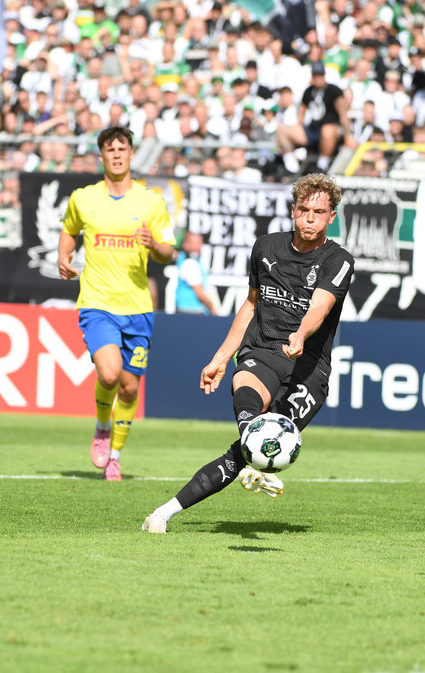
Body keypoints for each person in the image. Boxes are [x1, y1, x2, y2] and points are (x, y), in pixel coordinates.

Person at [142, 173, 355, 533]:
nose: (309, 218)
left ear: (331, 217)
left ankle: (162, 513)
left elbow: (320, 305)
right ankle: (248, 465)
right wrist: (222, 358)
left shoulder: (339, 260)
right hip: (264, 351)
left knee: (243, 453)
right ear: (292, 210)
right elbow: (251, 305)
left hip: (309, 370)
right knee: (251, 417)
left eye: (318, 212)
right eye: (303, 209)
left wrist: (302, 333)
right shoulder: (266, 249)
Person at [57, 126, 176, 482]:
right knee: (108, 373)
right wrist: (63, 257)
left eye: (122, 148)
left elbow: (169, 252)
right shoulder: (83, 198)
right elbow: (69, 230)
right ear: (101, 157)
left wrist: (154, 245)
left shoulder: (151, 202)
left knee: (129, 386)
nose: (117, 154)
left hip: (138, 307)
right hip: (97, 302)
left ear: (131, 154)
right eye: (110, 150)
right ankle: (101, 428)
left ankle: (116, 456)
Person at [174, 230, 217, 315]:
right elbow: (200, 293)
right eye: (196, 243)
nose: (200, 246)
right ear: (185, 245)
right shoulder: (190, 263)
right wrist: (212, 308)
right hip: (190, 312)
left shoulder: (194, 261)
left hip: (191, 311)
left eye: (200, 242)